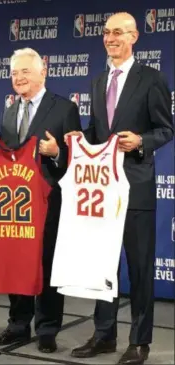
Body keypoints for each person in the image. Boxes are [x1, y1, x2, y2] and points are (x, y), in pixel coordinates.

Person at [65, 12, 173, 365]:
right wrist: (81, 139)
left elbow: (165, 129)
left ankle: (139, 341)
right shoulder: (97, 82)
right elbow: (97, 130)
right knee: (102, 265)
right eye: (106, 32)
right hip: (102, 190)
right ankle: (104, 334)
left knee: (140, 269)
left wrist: (141, 140)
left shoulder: (152, 79)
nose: (110, 38)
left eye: (118, 32)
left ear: (134, 37)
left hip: (136, 187)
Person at [0, 47, 82, 353]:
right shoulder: (10, 110)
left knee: (48, 264)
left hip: (51, 200)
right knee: (17, 262)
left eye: (25, 71)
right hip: (16, 205)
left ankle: (47, 329)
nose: (19, 78)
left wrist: (57, 153)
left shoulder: (65, 108)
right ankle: (17, 325)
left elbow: (78, 158)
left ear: (43, 71)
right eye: (14, 73)